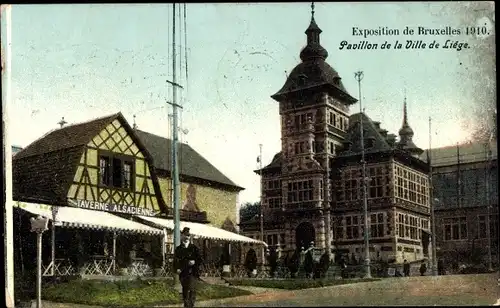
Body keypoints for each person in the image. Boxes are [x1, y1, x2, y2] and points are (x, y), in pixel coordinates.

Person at [174, 227, 202, 308]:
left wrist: (194, 262)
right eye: (185, 235)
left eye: (188, 235)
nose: (187, 237)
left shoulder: (194, 248)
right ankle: (187, 305)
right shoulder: (178, 249)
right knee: (185, 290)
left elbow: (200, 259)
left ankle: (190, 305)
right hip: (183, 273)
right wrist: (177, 268)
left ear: (190, 237)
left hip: (193, 272)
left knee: (192, 289)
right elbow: (176, 261)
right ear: (182, 236)